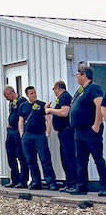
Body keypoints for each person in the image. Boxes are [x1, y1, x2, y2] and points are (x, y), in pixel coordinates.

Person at [69, 65, 106, 195]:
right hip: (78, 131)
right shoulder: (80, 91)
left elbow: (99, 105)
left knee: (97, 158)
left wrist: (96, 125)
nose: (77, 77)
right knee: (80, 159)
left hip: (90, 130)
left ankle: (104, 186)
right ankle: (81, 186)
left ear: (84, 75)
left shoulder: (93, 88)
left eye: (78, 74)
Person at [17, 86, 58, 191]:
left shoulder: (42, 105)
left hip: (39, 135)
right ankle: (36, 181)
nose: (34, 95)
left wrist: (47, 133)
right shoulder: (23, 106)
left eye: (34, 93)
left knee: (45, 159)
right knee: (31, 160)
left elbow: (48, 120)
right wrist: (22, 134)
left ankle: (51, 182)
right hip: (27, 136)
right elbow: (21, 121)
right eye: (31, 93)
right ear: (27, 95)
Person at [45, 81, 76, 192]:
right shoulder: (60, 99)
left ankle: (73, 183)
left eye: (54, 90)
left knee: (69, 158)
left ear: (57, 88)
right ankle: (68, 182)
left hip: (67, 132)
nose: (54, 92)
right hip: (62, 133)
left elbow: (64, 112)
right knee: (64, 158)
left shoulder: (65, 97)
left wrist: (50, 110)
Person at [2, 86, 29, 188]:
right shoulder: (11, 103)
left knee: (21, 156)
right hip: (11, 131)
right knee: (10, 155)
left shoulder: (22, 101)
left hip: (18, 132)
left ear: (11, 93)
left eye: (7, 96)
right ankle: (14, 179)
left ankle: (23, 181)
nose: (6, 99)